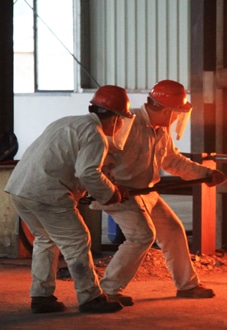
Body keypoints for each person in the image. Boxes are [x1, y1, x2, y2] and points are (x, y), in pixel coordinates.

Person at [91, 79, 226, 307]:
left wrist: (205, 174)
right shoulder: (126, 124)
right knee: (142, 236)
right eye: (176, 113)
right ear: (165, 110)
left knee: (172, 230)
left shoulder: (161, 130)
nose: (176, 119)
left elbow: (172, 160)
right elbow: (101, 157)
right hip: (121, 194)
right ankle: (109, 290)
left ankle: (187, 286)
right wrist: (109, 187)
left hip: (147, 192)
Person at [4, 85, 136, 314]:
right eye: (121, 119)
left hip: (19, 188)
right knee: (77, 240)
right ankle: (90, 297)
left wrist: (99, 186)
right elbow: (88, 172)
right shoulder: (96, 135)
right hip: (46, 192)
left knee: (46, 239)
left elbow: (69, 162)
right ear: (115, 118)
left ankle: (42, 296)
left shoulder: (67, 122)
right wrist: (110, 193)